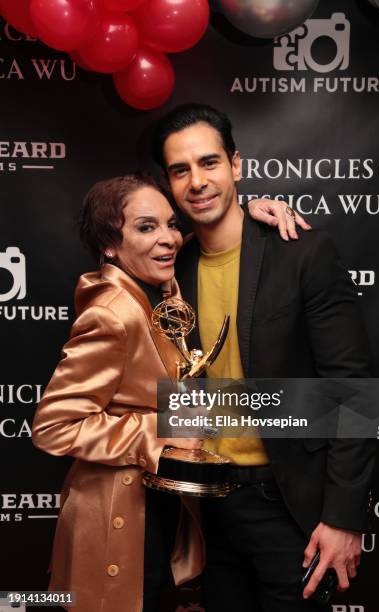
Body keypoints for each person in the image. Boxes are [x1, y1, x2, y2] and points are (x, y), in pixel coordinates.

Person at [31, 172, 303, 612]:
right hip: (115, 517)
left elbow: (208, 236)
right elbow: (54, 426)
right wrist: (160, 431)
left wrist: (250, 211)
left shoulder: (157, 292)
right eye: (145, 227)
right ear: (109, 245)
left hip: (152, 509)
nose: (169, 239)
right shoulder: (113, 313)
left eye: (171, 224)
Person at [151, 103, 376, 612]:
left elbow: (357, 393)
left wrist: (343, 518)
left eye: (209, 163)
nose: (197, 182)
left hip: (291, 509)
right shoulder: (167, 272)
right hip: (208, 509)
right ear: (168, 183)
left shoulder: (302, 252)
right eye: (180, 170)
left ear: (236, 165)